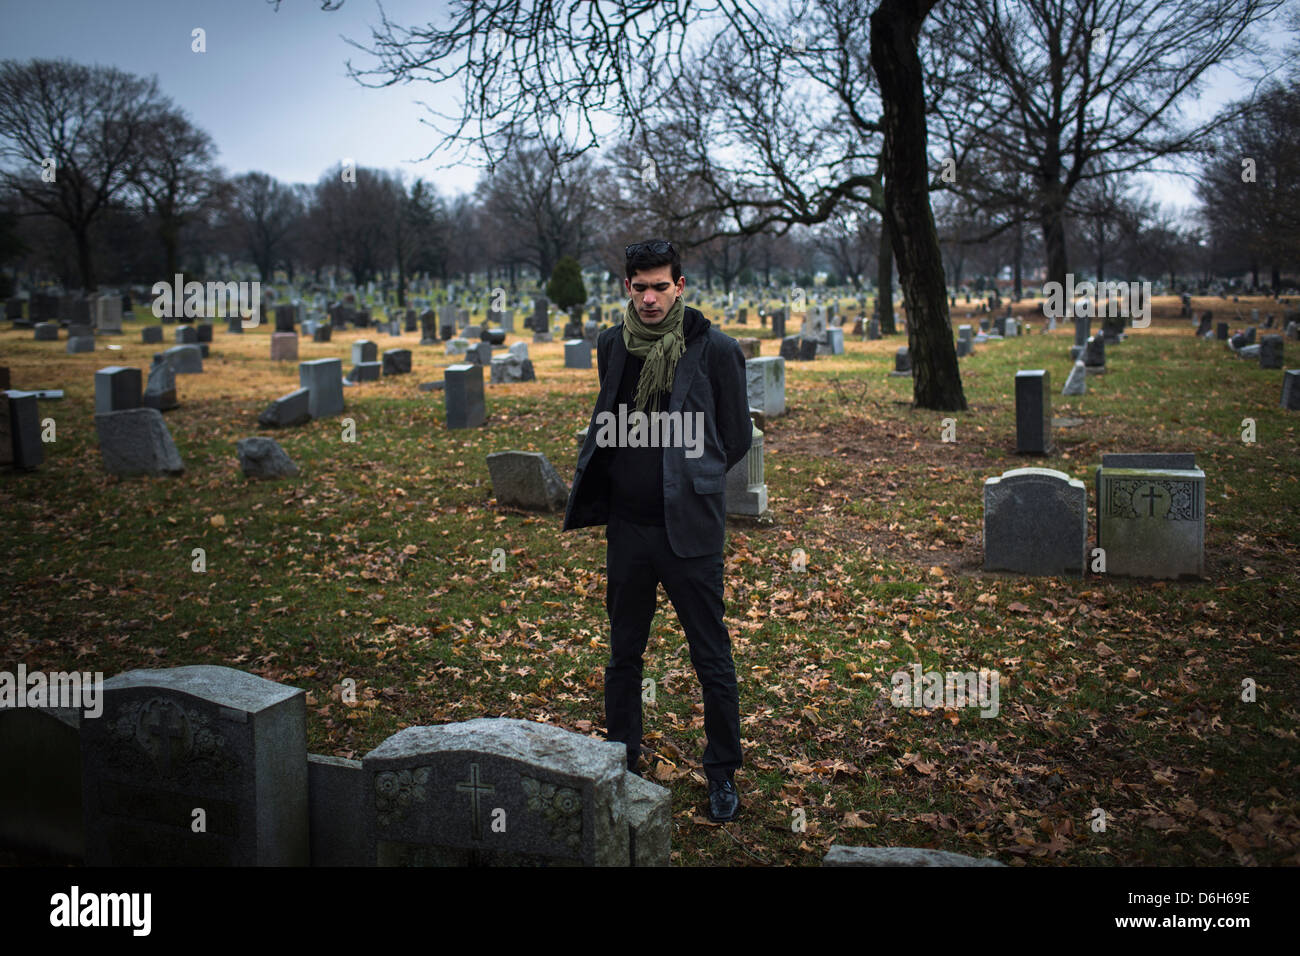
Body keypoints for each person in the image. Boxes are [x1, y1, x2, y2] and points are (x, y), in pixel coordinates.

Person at [562, 239, 752, 823]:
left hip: (690, 532)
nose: (649, 298)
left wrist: (691, 476)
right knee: (624, 655)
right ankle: (622, 758)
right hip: (629, 530)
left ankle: (721, 773)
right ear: (627, 286)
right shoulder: (612, 344)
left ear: (680, 286)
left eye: (660, 286)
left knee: (710, 657)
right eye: (639, 286)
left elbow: (735, 437)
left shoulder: (717, 350)